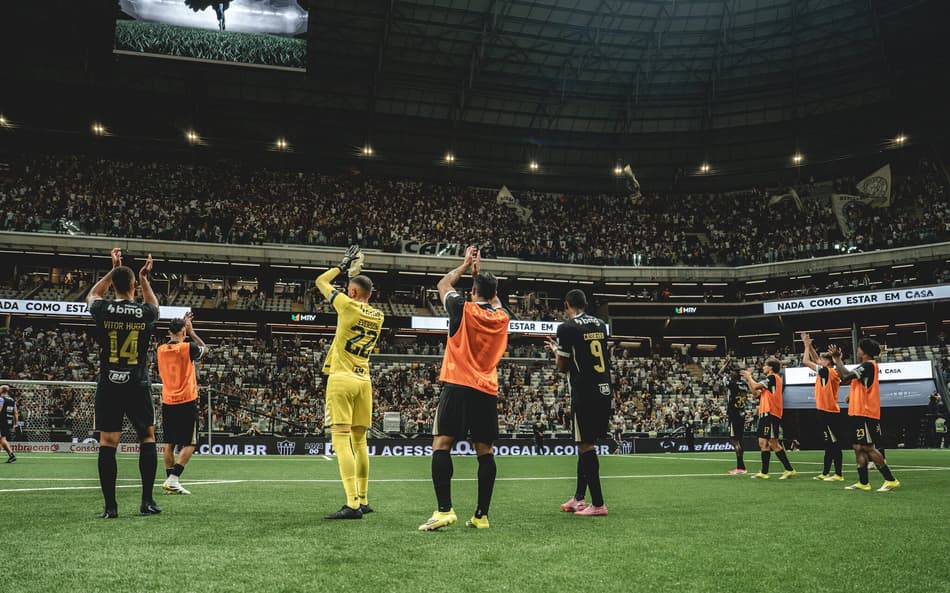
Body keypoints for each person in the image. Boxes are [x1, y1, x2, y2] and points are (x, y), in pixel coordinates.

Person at [419, 247, 509, 531]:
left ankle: (444, 510)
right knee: (485, 451)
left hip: (458, 384)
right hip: (486, 389)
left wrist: (465, 265)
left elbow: (443, 284)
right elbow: (495, 302)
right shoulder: (502, 317)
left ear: (472, 290)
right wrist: (478, 276)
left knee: (442, 444)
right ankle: (482, 516)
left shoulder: (461, 308)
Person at [87, 248, 161, 518]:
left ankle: (110, 507)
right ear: (132, 286)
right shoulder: (144, 313)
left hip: (109, 383)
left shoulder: (103, 309)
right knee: (147, 438)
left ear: (114, 286)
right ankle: (147, 502)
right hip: (137, 383)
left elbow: (93, 294)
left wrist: (112, 269)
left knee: (108, 442)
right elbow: (155, 307)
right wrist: (144, 278)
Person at [315, 246, 384, 519]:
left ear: (353, 292)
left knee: (341, 440)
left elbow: (321, 282)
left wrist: (342, 266)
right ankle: (364, 499)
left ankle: (352, 504)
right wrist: (355, 276)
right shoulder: (379, 316)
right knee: (361, 441)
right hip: (364, 380)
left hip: (342, 379)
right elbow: (360, 296)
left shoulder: (346, 304)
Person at [546, 289, 618, 517]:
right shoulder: (600, 324)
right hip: (604, 389)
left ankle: (597, 503)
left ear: (567, 305)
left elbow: (562, 366)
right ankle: (579, 498)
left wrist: (556, 350)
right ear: (585, 304)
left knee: (585, 445)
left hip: (584, 391)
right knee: (584, 442)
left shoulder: (566, 328)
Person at [829, 341, 901, 491]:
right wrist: (851, 395)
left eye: (859, 349)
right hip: (857, 412)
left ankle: (890, 480)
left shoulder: (868, 365)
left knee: (868, 447)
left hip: (866, 413)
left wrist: (837, 359)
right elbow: (853, 381)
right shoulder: (865, 366)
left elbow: (845, 376)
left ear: (865, 352)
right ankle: (863, 482)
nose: (857, 351)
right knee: (857, 447)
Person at [157, 312, 208, 495]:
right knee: (190, 443)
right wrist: (192, 332)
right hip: (186, 400)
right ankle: (174, 479)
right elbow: (205, 349)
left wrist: (184, 328)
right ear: (183, 332)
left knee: (169, 443)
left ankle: (170, 481)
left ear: (169, 332)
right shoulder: (188, 348)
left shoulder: (160, 349)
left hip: (168, 400)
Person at [741, 359, 796, 480]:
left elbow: (755, 386)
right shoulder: (769, 381)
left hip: (771, 413)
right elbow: (755, 393)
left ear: (770, 368)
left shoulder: (773, 378)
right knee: (762, 443)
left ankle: (789, 469)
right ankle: (764, 472)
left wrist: (749, 377)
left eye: (765, 366)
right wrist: (748, 380)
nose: (763, 368)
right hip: (765, 414)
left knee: (773, 442)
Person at [800, 333, 844, 482]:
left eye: (821, 359)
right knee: (829, 444)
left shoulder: (826, 371)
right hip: (827, 410)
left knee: (834, 444)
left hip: (829, 412)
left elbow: (806, 360)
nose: (818, 360)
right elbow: (815, 358)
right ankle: (825, 473)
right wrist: (809, 344)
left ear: (827, 362)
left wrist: (806, 346)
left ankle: (838, 474)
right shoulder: (828, 370)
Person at [719, 359, 748, 474]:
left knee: (734, 440)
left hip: (734, 414)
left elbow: (720, 374)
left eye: (732, 372)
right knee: (740, 440)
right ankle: (741, 466)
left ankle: (740, 467)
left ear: (736, 375)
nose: (730, 373)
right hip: (742, 413)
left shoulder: (732, 384)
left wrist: (726, 364)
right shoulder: (744, 385)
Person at [0, 385, 18, 463]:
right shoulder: (12, 400)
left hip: (1, 421)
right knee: (1, 439)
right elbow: (16, 413)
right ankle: (11, 456)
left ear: (2, 390)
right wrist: (15, 423)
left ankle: (12, 455)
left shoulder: (1, 399)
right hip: (8, 422)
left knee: (2, 439)